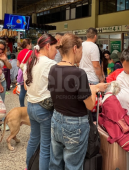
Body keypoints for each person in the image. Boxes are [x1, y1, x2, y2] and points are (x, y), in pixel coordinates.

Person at [48, 33, 108, 170]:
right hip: (75, 125)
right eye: (81, 51)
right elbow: (90, 104)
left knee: (55, 163)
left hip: (56, 119)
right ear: (75, 48)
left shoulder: (53, 69)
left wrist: (90, 88)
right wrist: (93, 90)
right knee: (73, 166)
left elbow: (63, 92)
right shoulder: (79, 73)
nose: (81, 54)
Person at [23, 34, 57, 170]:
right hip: (44, 109)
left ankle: (28, 167)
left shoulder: (30, 62)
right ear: (48, 46)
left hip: (30, 106)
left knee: (33, 140)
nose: (56, 52)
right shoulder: (50, 64)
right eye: (55, 48)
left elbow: (26, 85)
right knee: (45, 146)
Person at [17, 38, 32, 107]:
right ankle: (30, 106)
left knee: (22, 91)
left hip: (21, 73)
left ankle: (22, 106)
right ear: (28, 45)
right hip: (29, 73)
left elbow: (18, 64)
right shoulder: (31, 52)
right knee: (30, 91)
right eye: (30, 44)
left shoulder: (20, 53)